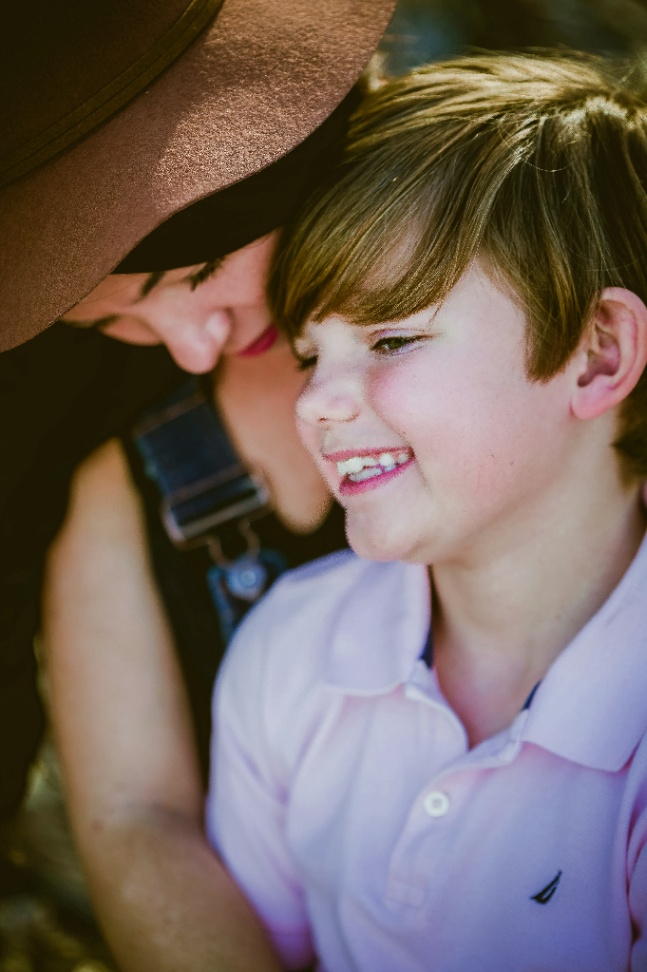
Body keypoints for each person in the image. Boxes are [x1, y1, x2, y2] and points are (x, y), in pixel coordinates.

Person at [206, 52, 647, 970]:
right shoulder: (291, 652)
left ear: (597, 353)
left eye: (392, 336)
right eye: (308, 354)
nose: (318, 402)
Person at [1, 0, 396, 967]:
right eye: (114, 322)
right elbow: (132, 819)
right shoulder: (102, 453)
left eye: (210, 267)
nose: (190, 343)